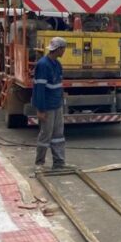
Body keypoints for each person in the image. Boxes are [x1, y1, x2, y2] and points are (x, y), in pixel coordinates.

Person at [33, 37, 73, 171]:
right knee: (46, 134)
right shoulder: (43, 65)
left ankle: (59, 163)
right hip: (47, 106)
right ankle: (39, 163)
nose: (64, 52)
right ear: (59, 49)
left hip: (57, 105)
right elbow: (39, 89)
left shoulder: (57, 64)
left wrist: (62, 98)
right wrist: (40, 109)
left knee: (58, 135)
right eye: (64, 49)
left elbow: (58, 85)